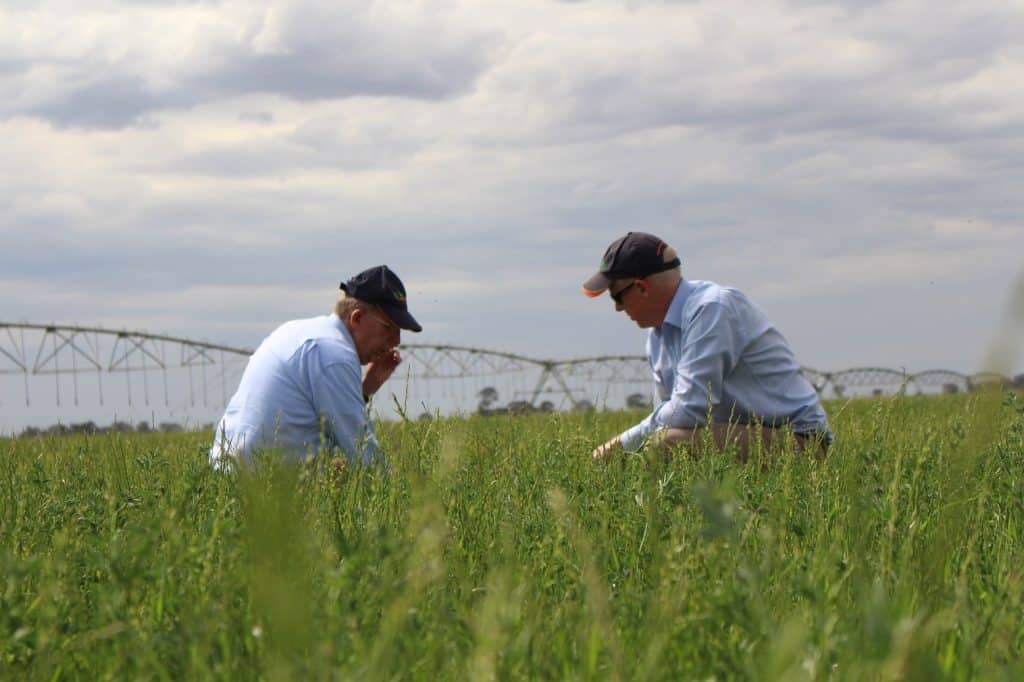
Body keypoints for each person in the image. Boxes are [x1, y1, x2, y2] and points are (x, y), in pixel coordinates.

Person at [582, 232, 832, 461]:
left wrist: (621, 445)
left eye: (617, 297)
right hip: (737, 433)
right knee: (653, 446)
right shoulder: (657, 335)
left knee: (668, 444)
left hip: (800, 442)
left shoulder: (711, 309)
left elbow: (688, 411)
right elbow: (669, 415)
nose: (618, 308)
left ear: (642, 288)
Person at [209, 265, 422, 468]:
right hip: (260, 488)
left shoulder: (301, 331)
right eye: (390, 328)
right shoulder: (334, 355)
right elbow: (364, 453)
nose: (396, 341)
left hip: (227, 477)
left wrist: (366, 389)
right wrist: (408, 500)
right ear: (357, 318)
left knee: (339, 471)